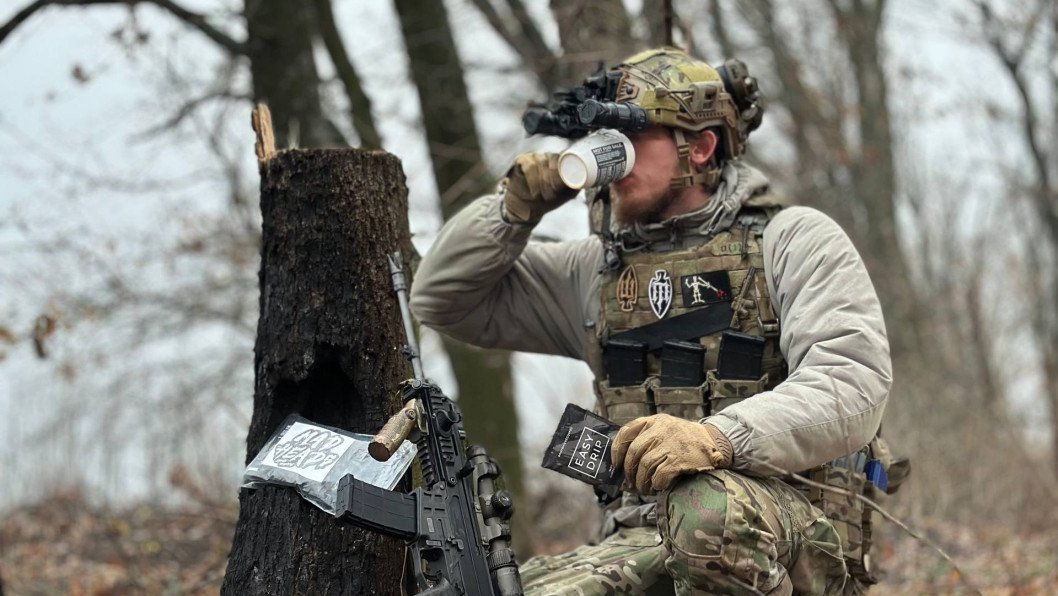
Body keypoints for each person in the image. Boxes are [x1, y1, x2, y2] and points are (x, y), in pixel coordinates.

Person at [410, 47, 892, 595]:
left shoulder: (792, 240)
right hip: (639, 536)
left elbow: (852, 380)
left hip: (789, 532)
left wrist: (716, 439)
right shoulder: (594, 271)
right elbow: (441, 298)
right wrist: (511, 209)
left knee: (706, 510)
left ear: (702, 147)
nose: (613, 158)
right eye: (604, 139)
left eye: (633, 138)